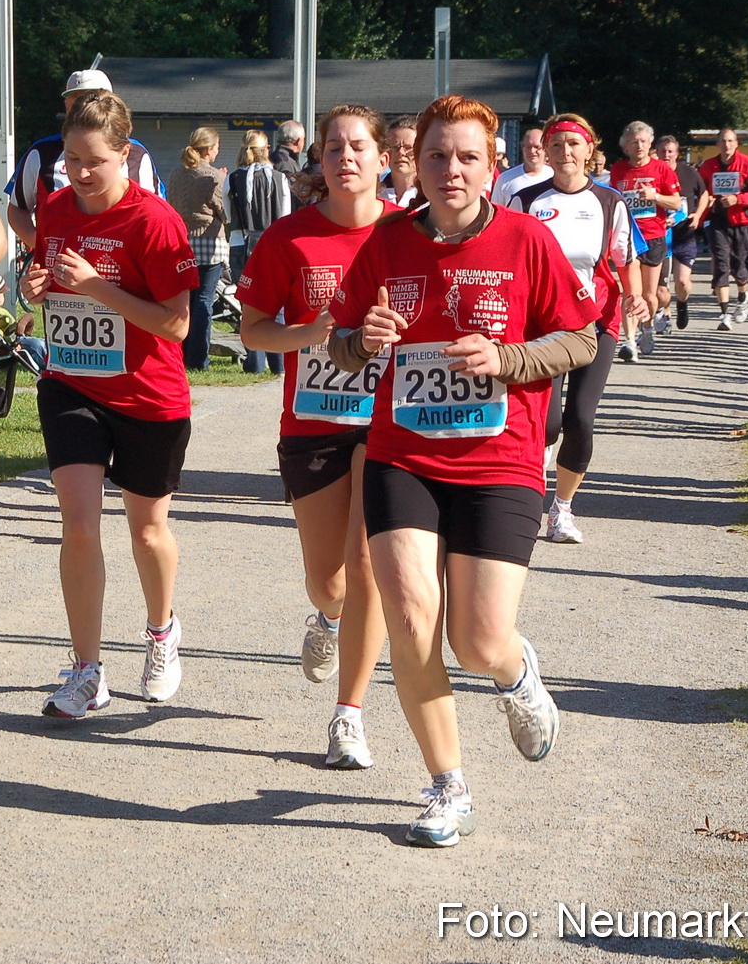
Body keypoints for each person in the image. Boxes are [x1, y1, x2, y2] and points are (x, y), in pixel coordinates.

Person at [328, 94, 598, 848]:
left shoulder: (524, 240)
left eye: (468, 157)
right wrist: (364, 338)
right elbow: (343, 342)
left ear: (494, 165)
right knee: (413, 619)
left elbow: (580, 336)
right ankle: (448, 783)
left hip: (499, 457)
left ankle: (516, 673)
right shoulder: (385, 243)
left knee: (477, 641)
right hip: (402, 453)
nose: (452, 170)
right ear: (415, 161)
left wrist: (508, 359)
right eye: (438, 155)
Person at [19, 92, 196, 719]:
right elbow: (42, 283)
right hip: (73, 384)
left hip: (149, 395)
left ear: (126, 155)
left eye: (94, 161)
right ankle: (87, 670)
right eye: (71, 159)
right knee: (79, 524)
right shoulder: (58, 208)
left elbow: (176, 326)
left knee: (147, 532)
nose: (81, 174)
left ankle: (161, 632)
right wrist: (32, 284)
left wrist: (97, 285)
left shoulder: (155, 222)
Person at [236, 104, 392, 770]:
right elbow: (251, 328)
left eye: (359, 146)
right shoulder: (289, 238)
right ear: (319, 161)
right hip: (314, 422)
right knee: (328, 579)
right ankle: (327, 620)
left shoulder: (410, 235)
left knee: (366, 569)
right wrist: (310, 333)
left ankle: (348, 715)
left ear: (385, 159)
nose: (347, 156)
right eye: (334, 147)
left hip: (390, 424)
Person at [495, 114, 646, 545]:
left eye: (573, 145)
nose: (565, 153)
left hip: (597, 320)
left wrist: (636, 295)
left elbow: (626, 257)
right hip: (544, 323)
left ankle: (562, 510)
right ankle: (525, 495)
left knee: (581, 417)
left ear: (589, 150)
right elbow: (506, 257)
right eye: (556, 145)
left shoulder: (609, 201)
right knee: (547, 423)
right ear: (545, 150)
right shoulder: (527, 199)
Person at [5, 69, 162, 248]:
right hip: (59, 266)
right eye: (78, 97)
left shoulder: (138, 153)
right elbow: (18, 207)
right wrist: (41, 244)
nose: (85, 103)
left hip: (121, 264)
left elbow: (155, 213)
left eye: (96, 161)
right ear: (67, 104)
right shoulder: (41, 152)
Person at [608, 121, 681, 361]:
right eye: (633, 142)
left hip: (653, 236)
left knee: (650, 296)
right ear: (625, 146)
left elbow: (677, 203)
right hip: (627, 237)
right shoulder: (618, 171)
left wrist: (655, 196)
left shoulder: (662, 169)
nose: (638, 146)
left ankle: (647, 330)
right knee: (630, 292)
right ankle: (629, 341)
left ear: (650, 144)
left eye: (642, 141)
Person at [226, 130, 292, 374]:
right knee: (279, 303)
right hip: (272, 243)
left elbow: (227, 211)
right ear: (266, 150)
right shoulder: (279, 178)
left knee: (249, 302)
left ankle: (254, 361)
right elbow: (285, 215)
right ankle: (279, 362)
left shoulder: (232, 178)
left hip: (240, 242)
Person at [165, 128, 228, 370]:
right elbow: (224, 212)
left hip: (181, 242)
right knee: (204, 300)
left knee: (185, 301)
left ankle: (180, 353)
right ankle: (199, 358)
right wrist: (222, 180)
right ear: (209, 149)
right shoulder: (212, 177)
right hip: (209, 242)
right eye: (217, 146)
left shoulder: (175, 174)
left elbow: (170, 205)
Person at [696, 128, 748, 330]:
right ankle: (724, 314)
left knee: (738, 264)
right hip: (717, 220)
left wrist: (738, 199)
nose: (726, 145)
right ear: (717, 144)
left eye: (730, 141)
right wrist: (706, 201)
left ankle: (743, 298)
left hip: (742, 220)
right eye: (723, 141)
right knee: (721, 263)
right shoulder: (709, 166)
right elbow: (702, 191)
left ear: (736, 144)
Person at [658, 135, 708, 331]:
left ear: (677, 154)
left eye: (670, 151)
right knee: (662, 285)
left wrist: (698, 215)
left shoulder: (688, 173)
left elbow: (704, 194)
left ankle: (682, 302)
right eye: (663, 151)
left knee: (682, 281)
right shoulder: (653, 174)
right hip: (661, 237)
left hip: (685, 235)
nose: (666, 155)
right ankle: (666, 315)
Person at [489, 126, 552, 205]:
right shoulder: (505, 178)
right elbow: (496, 211)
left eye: (537, 147)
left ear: (545, 148)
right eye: (528, 147)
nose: (532, 151)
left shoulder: (555, 177)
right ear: (522, 148)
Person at [379, 116, 419, 208]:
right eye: (395, 147)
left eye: (408, 148)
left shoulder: (431, 194)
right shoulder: (373, 192)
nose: (401, 153)